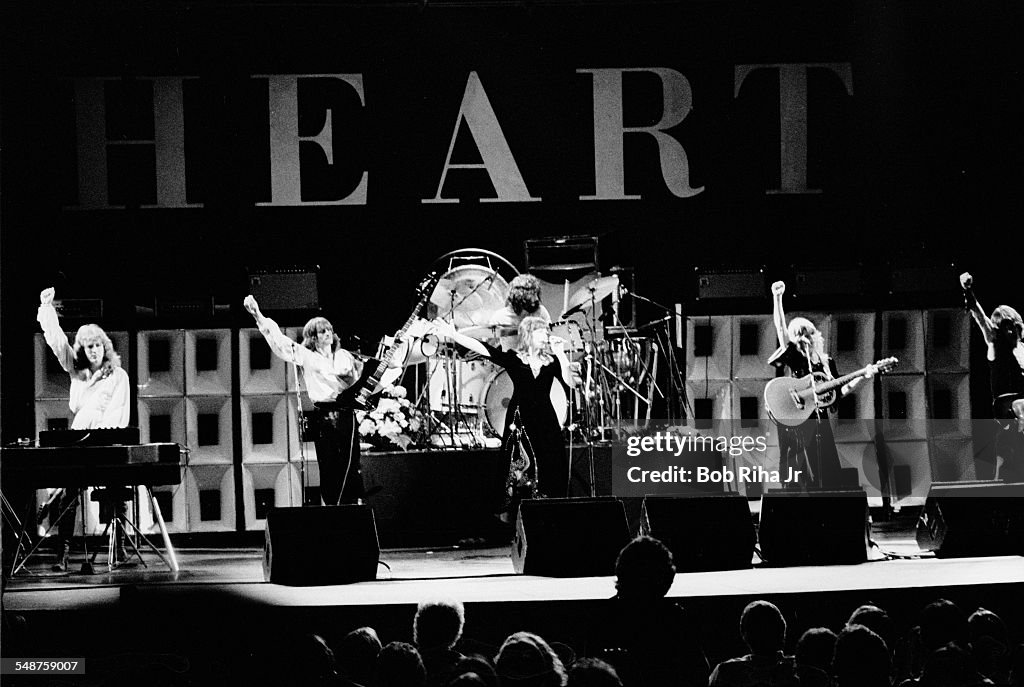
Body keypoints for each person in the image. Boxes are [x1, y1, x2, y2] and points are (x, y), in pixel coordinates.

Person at [37, 286, 131, 571]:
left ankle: (120, 548)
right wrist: (47, 309)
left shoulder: (118, 376)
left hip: (105, 441)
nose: (93, 350)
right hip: (79, 440)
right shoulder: (77, 371)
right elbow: (57, 343)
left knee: (116, 488)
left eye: (97, 345)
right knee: (68, 492)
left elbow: (119, 414)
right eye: (88, 346)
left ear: (105, 347)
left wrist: (101, 438)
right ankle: (63, 554)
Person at [431, 316, 575, 501]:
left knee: (551, 458)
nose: (546, 334)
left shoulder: (552, 361)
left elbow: (570, 382)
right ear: (528, 335)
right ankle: (521, 504)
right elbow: (486, 349)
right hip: (521, 416)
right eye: (541, 331)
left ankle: (550, 501)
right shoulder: (515, 359)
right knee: (521, 461)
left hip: (546, 416)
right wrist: (455, 335)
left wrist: (560, 353)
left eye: (546, 331)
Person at [244, 295, 364, 506]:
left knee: (350, 464)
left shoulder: (346, 356)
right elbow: (280, 342)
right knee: (329, 465)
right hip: (325, 416)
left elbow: (364, 380)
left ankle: (351, 506)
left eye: (329, 329)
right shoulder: (307, 356)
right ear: (313, 337)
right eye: (321, 331)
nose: (327, 333)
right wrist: (258, 315)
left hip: (347, 414)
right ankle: (333, 508)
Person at [769, 280, 870, 489]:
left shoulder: (827, 363)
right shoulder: (797, 358)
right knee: (801, 472)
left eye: (811, 332)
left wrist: (863, 375)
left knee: (827, 472)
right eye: (804, 334)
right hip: (797, 423)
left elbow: (839, 391)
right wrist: (777, 298)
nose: (810, 337)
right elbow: (780, 328)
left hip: (819, 421)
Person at [960, 272, 1024, 481]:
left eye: (1012, 327)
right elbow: (980, 319)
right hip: (1006, 402)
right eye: (1003, 327)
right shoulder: (995, 345)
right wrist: (968, 291)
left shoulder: (1023, 349)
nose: (1009, 333)